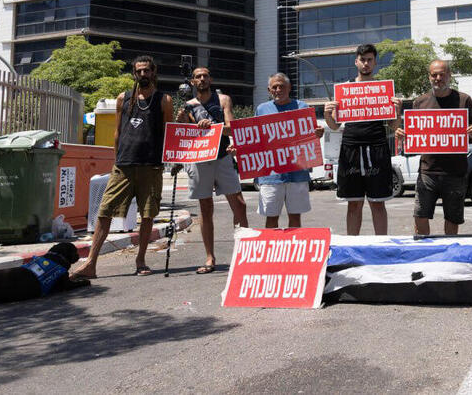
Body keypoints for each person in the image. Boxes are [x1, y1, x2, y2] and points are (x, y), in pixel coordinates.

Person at [73, 55, 172, 279]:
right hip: (123, 166)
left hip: (151, 166)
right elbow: (118, 132)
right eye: (139, 71)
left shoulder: (164, 100)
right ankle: (91, 263)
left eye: (147, 70)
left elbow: (169, 133)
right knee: (104, 211)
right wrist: (116, 160)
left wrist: (170, 161)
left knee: (147, 216)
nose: (143, 75)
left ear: (153, 72)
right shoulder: (123, 99)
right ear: (134, 74)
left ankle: (141, 260)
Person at [175, 67, 249, 274]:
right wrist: (182, 121)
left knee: (239, 205)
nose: (202, 79)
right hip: (200, 159)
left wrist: (212, 126)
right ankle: (210, 257)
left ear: (211, 79)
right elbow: (184, 134)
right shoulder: (187, 106)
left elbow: (232, 127)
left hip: (223, 157)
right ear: (192, 82)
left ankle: (245, 253)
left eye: (205, 76)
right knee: (205, 208)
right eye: (198, 77)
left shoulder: (223, 99)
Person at [394, 60, 472, 235]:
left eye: (442, 74)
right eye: (434, 75)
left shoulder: (464, 99)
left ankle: (448, 254)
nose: (438, 78)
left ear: (449, 76)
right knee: (420, 215)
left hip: (455, 172)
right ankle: (425, 252)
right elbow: (414, 133)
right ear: (429, 77)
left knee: (452, 219)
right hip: (428, 171)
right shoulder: (420, 102)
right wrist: (403, 135)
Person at [324, 44, 403, 235]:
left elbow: (393, 126)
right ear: (356, 62)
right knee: (354, 205)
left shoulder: (383, 90)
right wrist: (327, 114)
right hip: (351, 149)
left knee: (378, 204)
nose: (366, 63)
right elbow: (335, 126)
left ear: (375, 62)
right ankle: (352, 245)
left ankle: (381, 245)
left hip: (377, 148)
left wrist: (397, 111)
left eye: (369, 59)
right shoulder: (345, 89)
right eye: (362, 59)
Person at [254, 73, 324, 229]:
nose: (278, 89)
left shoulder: (302, 107)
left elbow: (310, 137)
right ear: (269, 90)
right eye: (274, 87)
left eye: (282, 86)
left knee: (295, 218)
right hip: (271, 176)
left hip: (297, 173)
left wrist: (317, 135)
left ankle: (294, 251)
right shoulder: (261, 109)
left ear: (289, 88)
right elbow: (254, 140)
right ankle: (271, 252)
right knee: (271, 219)